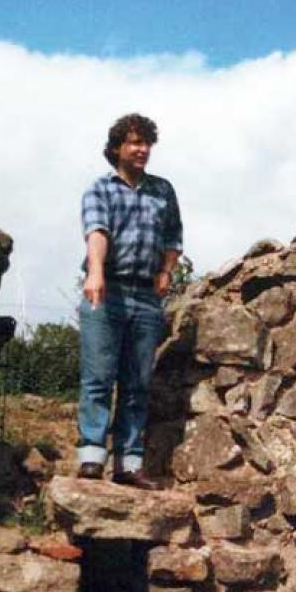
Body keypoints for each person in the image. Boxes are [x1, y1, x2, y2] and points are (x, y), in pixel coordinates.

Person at [77, 113, 183, 490]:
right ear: (117, 147)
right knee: (98, 378)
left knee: (137, 383)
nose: (142, 150)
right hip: (107, 291)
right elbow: (97, 232)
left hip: (146, 296)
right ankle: (92, 457)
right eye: (135, 142)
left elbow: (173, 237)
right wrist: (96, 273)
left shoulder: (162, 190)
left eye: (147, 143)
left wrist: (166, 272)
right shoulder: (100, 189)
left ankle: (129, 464)